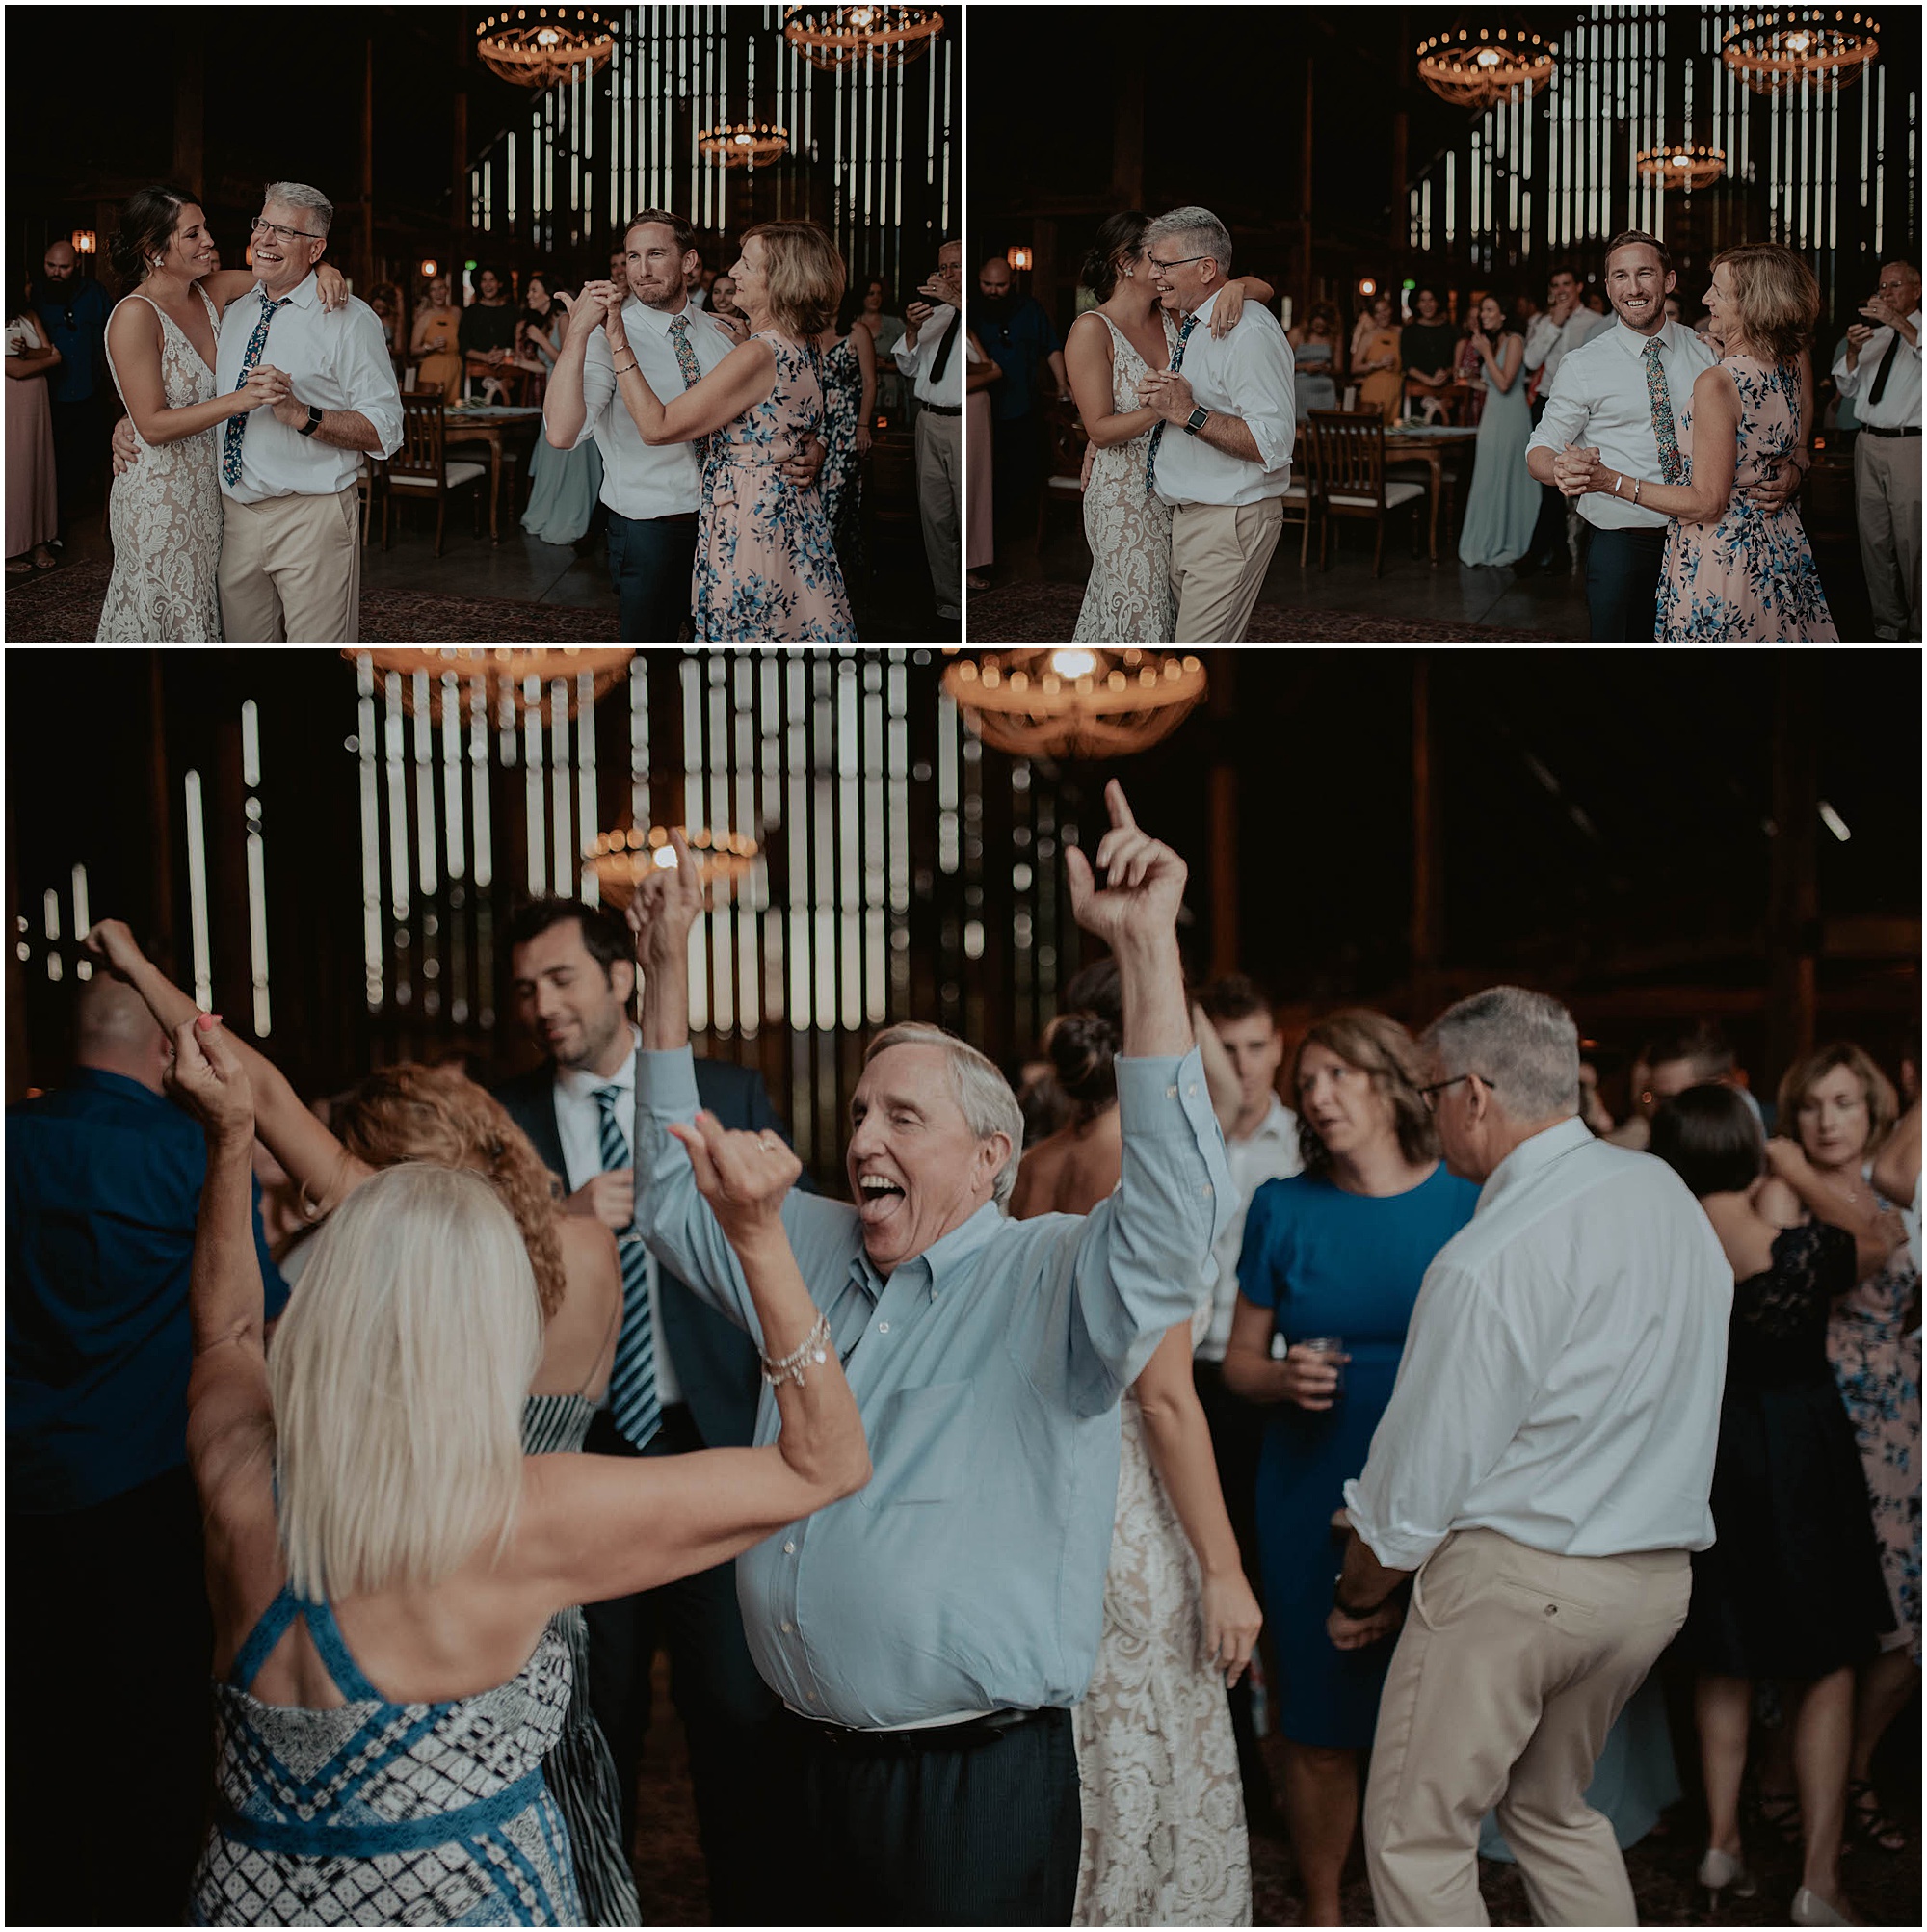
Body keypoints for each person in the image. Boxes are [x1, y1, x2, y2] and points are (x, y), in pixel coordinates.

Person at [627, 786, 1232, 1924]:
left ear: (989, 1156)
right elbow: (667, 1199)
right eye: (860, 1112)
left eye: (902, 1118)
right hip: (796, 1762)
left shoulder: (1050, 1276)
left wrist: (1146, 951)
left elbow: (1170, 1223)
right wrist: (664, 975)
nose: (862, 1136)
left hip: (968, 1785)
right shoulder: (811, 1242)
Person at [148, 997, 865, 1927]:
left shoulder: (237, 1478)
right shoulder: (519, 1520)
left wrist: (231, 1140)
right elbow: (824, 1463)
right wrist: (761, 1238)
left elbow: (229, 1335)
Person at [1334, 985, 1729, 1926]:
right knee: (1553, 1810)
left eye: (1431, 1091)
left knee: (1417, 1837)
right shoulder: (1664, 1194)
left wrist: (1357, 1593)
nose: (1430, 1113)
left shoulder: (1487, 1256)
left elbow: (1416, 1486)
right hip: (1648, 1586)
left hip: (1518, 1588)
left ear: (1473, 1094)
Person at [492, 896, 802, 1924]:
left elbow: (777, 1253)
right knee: (595, 1711)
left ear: (622, 977)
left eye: (561, 978)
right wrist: (557, 1219)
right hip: (574, 1451)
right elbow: (468, 1270)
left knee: (734, 1709)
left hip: (707, 1435)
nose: (541, 1005)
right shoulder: (500, 1116)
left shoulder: (725, 1092)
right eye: (526, 988)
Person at [7, 970, 291, 1924]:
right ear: (165, 1049)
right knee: (156, 1742)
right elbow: (259, 1317)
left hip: (19, 1495)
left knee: (31, 1745)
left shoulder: (8, 1142)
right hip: (150, 1493)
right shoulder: (190, 1151)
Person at [1012, 959, 1259, 1926]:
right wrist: (1223, 1567)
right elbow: (1163, 1399)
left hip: (1040, 1483)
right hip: (1126, 1499)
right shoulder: (1146, 1173)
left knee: (1077, 1742)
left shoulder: (1037, 1162)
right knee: (1146, 1735)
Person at [1223, 1010, 1479, 1926]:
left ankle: (1418, 1901)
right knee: (1318, 1720)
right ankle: (1327, 1908)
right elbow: (1237, 1361)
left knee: (1435, 1719)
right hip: (1307, 1481)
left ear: (1392, 1079)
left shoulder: (1467, 1200)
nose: (1318, 1095)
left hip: (1442, 1485)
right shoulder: (1282, 1206)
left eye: (1339, 1075)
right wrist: (1280, 1375)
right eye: (1308, 1082)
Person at [1649, 1085, 1892, 1927]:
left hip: (1707, 1454)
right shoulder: (1798, 1251)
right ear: (1750, 1147)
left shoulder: (1661, 1251)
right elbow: (1881, 1237)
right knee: (1825, 1662)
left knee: (1725, 1653)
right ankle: (1819, 1879)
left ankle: (1721, 1843)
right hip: (1801, 1449)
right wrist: (1797, 1171)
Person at [1766, 1044, 1921, 1857]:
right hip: (1822, 1408)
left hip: (1905, 1411)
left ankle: (1853, 1767)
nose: (1828, 1120)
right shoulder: (1783, 1188)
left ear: (1873, 1108)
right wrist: (1791, 1168)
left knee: (1912, 1617)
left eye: (1845, 1103)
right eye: (1812, 1104)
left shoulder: (1897, 1185)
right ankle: (1786, 1778)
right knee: (1827, 1612)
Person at [542, 211, 826, 642]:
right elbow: (562, 434)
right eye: (633, 257)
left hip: (729, 525)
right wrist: (578, 335)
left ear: (688, 262)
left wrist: (810, 447)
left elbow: (767, 412)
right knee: (651, 651)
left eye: (656, 254)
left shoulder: (726, 333)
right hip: (651, 529)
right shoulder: (607, 336)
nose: (642, 270)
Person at [96, 186, 356, 642]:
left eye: (205, 229)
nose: (209, 241)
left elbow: (279, 272)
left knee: (204, 612)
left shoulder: (210, 292)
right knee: (165, 615)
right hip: (159, 498)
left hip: (211, 496)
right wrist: (243, 398)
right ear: (154, 251)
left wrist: (323, 267)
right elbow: (152, 425)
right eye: (192, 234)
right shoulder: (134, 316)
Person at [1564, 244, 1836, 640]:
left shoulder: (1718, 381)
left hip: (1723, 553)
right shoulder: (1790, 364)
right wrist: (1793, 471)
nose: (1706, 299)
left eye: (1718, 292)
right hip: (1779, 544)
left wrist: (1609, 481)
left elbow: (1708, 503)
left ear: (1751, 304)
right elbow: (1772, 446)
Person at [185, 183, 400, 643]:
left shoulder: (349, 319)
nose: (265, 239)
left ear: (316, 249)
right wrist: (131, 421)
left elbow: (385, 430)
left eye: (284, 231)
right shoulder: (232, 311)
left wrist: (304, 414)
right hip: (235, 519)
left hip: (312, 518)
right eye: (262, 224)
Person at [1192, 972, 1305, 1829]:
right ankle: (1237, 1778)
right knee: (1206, 1573)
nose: (1241, 1063)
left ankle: (1301, 1763)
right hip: (1184, 1379)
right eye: (1224, 1047)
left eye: (1255, 1045)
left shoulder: (1305, 1146)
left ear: (1278, 1046)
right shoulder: (1177, 1137)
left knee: (1277, 1573)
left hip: (1273, 1381)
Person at [1065, 211, 1269, 643]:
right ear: (1125, 263)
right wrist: (1167, 409)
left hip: (1175, 493)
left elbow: (1264, 289)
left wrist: (1235, 287)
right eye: (1155, 259)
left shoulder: (1173, 316)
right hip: (1123, 497)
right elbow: (1098, 430)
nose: (1162, 270)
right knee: (1138, 611)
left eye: (1166, 262)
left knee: (1173, 612)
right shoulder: (1091, 329)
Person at [1525, 231, 1723, 640]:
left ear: (1668, 281)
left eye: (1645, 273)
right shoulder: (1582, 365)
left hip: (1704, 536)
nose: (1633, 288)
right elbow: (1540, 448)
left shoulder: (1707, 352)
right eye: (1620, 276)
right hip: (1622, 541)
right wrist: (1562, 468)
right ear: (1608, 285)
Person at [1139, 205, 1296, 643]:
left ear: (1206, 268)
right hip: (1192, 517)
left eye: (1164, 264)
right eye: (1153, 263)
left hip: (1230, 520)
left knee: (1197, 656)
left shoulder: (1249, 332)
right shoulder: (1195, 323)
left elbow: (1272, 443)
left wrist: (1187, 413)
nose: (1154, 275)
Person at [1831, 260, 1920, 641]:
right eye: (1882, 287)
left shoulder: (1916, 332)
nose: (1885, 294)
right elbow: (1847, 388)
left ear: (1917, 289)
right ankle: (1887, 626)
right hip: (1867, 442)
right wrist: (1852, 351)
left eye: (1894, 286)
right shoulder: (1877, 336)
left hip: (1911, 445)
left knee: (1913, 540)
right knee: (1873, 539)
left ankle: (1919, 629)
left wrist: (1899, 323)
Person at [1515, 264, 1609, 579]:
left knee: (1573, 477)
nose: (1561, 290)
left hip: (1583, 409)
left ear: (1578, 286)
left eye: (1566, 283)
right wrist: (1554, 324)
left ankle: (1553, 552)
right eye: (1555, 285)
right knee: (1549, 480)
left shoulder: (1595, 322)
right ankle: (1553, 552)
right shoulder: (1542, 322)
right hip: (1545, 403)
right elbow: (1530, 361)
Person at [894, 238, 964, 626]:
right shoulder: (934, 317)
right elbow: (907, 366)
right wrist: (910, 328)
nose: (947, 274)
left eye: (955, 266)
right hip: (929, 420)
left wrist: (958, 301)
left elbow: (987, 356)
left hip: (963, 422)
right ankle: (948, 602)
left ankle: (969, 595)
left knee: (964, 511)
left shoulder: (974, 316)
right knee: (935, 514)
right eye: (943, 267)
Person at [977, 254, 1069, 543]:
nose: (994, 291)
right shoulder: (971, 310)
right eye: (987, 284)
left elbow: (1051, 347)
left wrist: (1062, 384)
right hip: (983, 408)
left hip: (1023, 406)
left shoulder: (1030, 309)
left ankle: (1022, 535)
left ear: (1013, 281)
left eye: (1000, 285)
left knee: (1024, 471)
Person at [31, 237, 114, 540]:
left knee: (90, 454)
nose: (56, 272)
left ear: (77, 264)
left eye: (63, 267)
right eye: (50, 265)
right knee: (49, 460)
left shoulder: (94, 293)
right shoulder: (34, 295)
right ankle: (51, 527)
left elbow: (113, 333)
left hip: (90, 389)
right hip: (48, 393)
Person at [519, 272, 605, 547]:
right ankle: (547, 511)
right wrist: (518, 363)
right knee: (551, 457)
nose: (529, 296)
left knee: (567, 456)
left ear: (548, 293)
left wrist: (540, 340)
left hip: (570, 395)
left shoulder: (564, 320)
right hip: (553, 396)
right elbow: (546, 366)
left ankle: (570, 515)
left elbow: (569, 359)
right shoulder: (545, 323)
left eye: (534, 290)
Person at [1455, 292, 1536, 569]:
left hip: (1511, 417)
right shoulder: (1496, 341)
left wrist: (1486, 354)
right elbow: (1491, 384)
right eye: (1482, 311)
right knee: (1488, 478)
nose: (1483, 315)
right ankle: (1487, 537)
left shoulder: (1514, 341)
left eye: (1489, 310)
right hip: (1491, 416)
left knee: (1507, 477)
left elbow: (1504, 384)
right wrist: (1469, 382)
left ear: (1503, 314)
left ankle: (1508, 539)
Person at [816, 285, 878, 597]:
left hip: (846, 426)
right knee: (826, 504)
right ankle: (851, 572)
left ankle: (824, 584)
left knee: (834, 502)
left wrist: (863, 427)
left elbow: (870, 381)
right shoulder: (808, 332)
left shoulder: (857, 331)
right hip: (815, 426)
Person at [5, 278, 61, 575]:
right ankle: (9, 548)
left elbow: (50, 351)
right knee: (13, 473)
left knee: (38, 468)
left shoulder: (29, 316)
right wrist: (48, 360)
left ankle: (39, 540)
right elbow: (13, 369)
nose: (29, 286)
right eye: (25, 281)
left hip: (37, 402)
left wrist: (30, 352)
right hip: (9, 403)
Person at [965, 326, 998, 591]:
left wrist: (983, 370)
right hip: (964, 411)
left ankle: (973, 563)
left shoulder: (970, 331)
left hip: (978, 411)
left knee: (977, 483)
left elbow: (992, 367)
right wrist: (988, 372)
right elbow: (989, 370)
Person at [461, 263, 519, 398]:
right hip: (475, 377)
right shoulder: (470, 313)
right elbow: (464, 347)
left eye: (492, 280)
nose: (488, 285)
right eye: (484, 280)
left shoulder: (513, 312)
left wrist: (504, 354)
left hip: (508, 376)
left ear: (500, 283)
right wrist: (486, 357)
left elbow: (519, 345)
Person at [1402, 287, 1459, 424]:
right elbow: (1407, 365)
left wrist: (1445, 374)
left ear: (1438, 302)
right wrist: (1429, 381)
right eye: (1423, 300)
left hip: (1446, 394)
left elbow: (1455, 362)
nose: (1427, 305)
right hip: (1415, 393)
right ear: (1417, 304)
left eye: (1431, 300)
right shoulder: (1409, 331)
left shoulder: (1450, 330)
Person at [410, 270, 463, 402]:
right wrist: (431, 347)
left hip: (455, 367)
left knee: (455, 408)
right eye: (433, 290)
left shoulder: (456, 313)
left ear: (447, 290)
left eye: (441, 288)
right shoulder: (424, 317)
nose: (438, 293)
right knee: (432, 407)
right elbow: (413, 349)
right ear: (429, 294)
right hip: (432, 368)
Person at [1288, 301, 1343, 418]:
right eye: (1317, 326)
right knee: (1303, 421)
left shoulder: (1333, 337)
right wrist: (1304, 367)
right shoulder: (1296, 334)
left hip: (1325, 388)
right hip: (1302, 386)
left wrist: (1326, 368)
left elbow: (1338, 368)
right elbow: (1284, 365)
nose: (1320, 330)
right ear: (1310, 321)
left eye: (1324, 327)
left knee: (1325, 422)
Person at [1355, 293, 1402, 425]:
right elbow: (1354, 367)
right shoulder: (1368, 336)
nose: (1382, 315)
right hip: (1374, 388)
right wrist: (1377, 364)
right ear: (1373, 316)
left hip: (1397, 388)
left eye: (1385, 310)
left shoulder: (1400, 332)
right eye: (1377, 312)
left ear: (1391, 310)